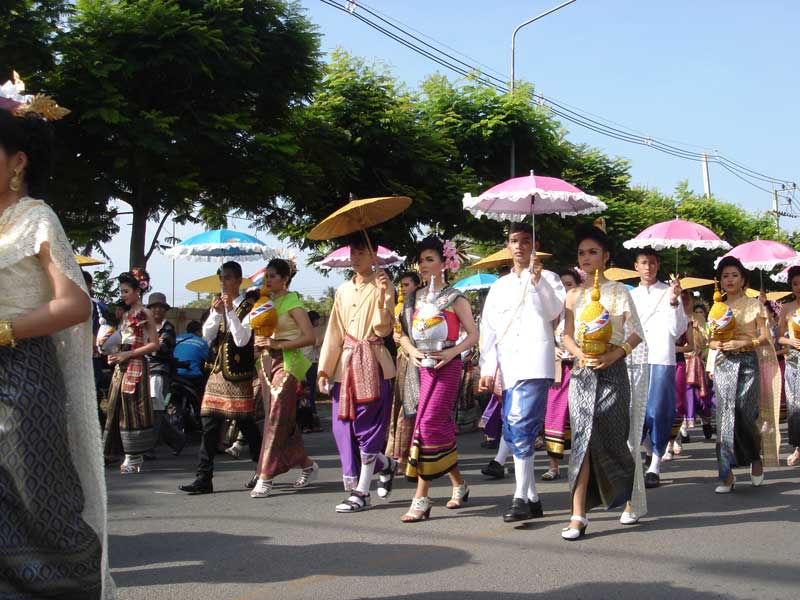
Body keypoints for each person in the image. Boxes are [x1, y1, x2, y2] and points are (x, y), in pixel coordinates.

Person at [0, 85, 114, 598]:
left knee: (40, 508)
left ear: (18, 161)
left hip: (22, 379)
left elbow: (74, 305)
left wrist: (4, 330)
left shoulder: (36, 218)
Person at [560, 224, 644, 540]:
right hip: (582, 374)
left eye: (593, 252)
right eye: (582, 253)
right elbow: (566, 335)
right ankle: (578, 514)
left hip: (613, 372)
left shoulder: (620, 291)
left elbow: (636, 333)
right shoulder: (573, 295)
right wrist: (578, 354)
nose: (586, 258)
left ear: (606, 256)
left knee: (613, 438)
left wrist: (615, 354)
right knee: (581, 440)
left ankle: (626, 498)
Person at [478, 224, 565, 522]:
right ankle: (533, 497)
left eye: (526, 241)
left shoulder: (549, 278)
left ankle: (519, 498)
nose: (519, 246)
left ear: (534, 245)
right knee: (513, 428)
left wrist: (538, 282)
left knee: (520, 422)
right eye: (514, 241)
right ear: (508, 245)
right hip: (509, 363)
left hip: (536, 361)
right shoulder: (500, 286)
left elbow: (553, 312)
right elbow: (489, 330)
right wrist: (487, 367)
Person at [398, 236, 479, 522]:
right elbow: (401, 334)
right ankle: (459, 484)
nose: (423, 265)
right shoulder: (412, 298)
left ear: (445, 263)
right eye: (421, 260)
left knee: (428, 423)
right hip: (420, 367)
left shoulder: (455, 297)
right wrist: (411, 352)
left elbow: (473, 334)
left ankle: (421, 499)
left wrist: (452, 352)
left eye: (430, 259)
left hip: (447, 366)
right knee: (436, 427)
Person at [317, 233, 397, 511]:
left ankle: (361, 492)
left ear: (374, 255)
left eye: (362, 252)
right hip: (345, 366)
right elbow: (334, 331)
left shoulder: (383, 284)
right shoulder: (342, 290)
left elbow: (382, 329)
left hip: (373, 362)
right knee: (343, 427)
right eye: (353, 252)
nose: (356, 258)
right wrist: (324, 370)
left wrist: (385, 295)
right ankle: (386, 464)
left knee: (367, 427)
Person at [179, 261, 263, 494]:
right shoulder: (217, 305)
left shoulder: (249, 307)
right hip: (216, 373)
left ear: (238, 281)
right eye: (221, 279)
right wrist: (216, 313)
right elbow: (207, 336)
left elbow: (242, 340)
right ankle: (203, 477)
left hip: (237, 375)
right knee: (208, 423)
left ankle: (262, 469)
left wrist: (230, 312)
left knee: (245, 423)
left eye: (227, 278)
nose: (223, 283)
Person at [709, 257, 780, 492]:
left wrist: (743, 343)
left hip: (748, 362)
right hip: (724, 364)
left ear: (743, 279)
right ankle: (726, 475)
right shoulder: (717, 306)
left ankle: (754, 458)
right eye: (725, 276)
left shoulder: (754, 304)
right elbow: (710, 340)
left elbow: (765, 337)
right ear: (720, 281)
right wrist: (718, 345)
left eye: (734, 275)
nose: (729, 280)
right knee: (724, 417)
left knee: (745, 413)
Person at [250, 258, 319, 498]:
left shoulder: (293, 302)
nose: (268, 280)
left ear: (285, 278)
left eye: (272, 276)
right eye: (266, 276)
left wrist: (277, 344)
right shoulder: (264, 301)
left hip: (289, 362)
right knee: (280, 417)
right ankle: (307, 464)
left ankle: (265, 475)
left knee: (276, 415)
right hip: (266, 362)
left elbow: (310, 337)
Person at [629, 248, 687, 489]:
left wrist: (674, 301)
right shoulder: (630, 295)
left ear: (658, 265)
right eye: (644, 263)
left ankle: (655, 464)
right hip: (635, 358)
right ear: (636, 266)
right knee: (635, 411)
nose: (648, 267)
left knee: (658, 411)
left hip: (662, 357)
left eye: (652, 263)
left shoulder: (669, 292)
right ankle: (642, 452)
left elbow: (678, 330)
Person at [102, 269, 161, 474]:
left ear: (138, 291)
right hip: (123, 364)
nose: (123, 295)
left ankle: (133, 457)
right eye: (121, 291)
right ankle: (115, 452)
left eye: (126, 291)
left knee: (133, 410)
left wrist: (128, 354)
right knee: (115, 407)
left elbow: (154, 344)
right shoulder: (126, 314)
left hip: (135, 364)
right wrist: (114, 354)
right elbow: (121, 338)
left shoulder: (145, 313)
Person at [542, 268, 582, 481]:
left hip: (580, 368)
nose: (566, 290)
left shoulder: (585, 310)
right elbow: (543, 337)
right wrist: (553, 348)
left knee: (580, 415)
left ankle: (580, 464)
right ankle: (553, 465)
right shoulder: (553, 313)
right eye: (562, 285)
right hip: (559, 370)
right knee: (554, 414)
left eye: (570, 285)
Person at [385, 271, 422, 473]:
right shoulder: (400, 308)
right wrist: (397, 337)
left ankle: (412, 455)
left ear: (417, 285)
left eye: (407, 284)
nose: (403, 289)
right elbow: (395, 334)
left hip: (419, 361)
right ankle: (399, 455)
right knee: (400, 408)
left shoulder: (422, 306)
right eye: (401, 285)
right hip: (403, 361)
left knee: (414, 408)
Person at [145, 291, 184, 455]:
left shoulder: (168, 328)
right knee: (149, 408)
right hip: (144, 370)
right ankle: (177, 439)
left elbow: (161, 349)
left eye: (161, 307)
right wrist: (152, 344)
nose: (157, 310)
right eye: (154, 307)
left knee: (156, 407)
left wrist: (150, 345)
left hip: (159, 371)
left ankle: (150, 446)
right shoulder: (144, 326)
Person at [777, 266, 800, 466]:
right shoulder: (786, 308)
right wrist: (790, 341)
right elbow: (779, 338)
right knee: (795, 405)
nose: (798, 287)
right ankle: (798, 447)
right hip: (793, 360)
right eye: (795, 284)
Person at [686, 301, 714, 440]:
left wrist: (699, 329)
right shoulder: (683, 321)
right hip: (683, 363)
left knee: (701, 396)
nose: (698, 314)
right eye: (696, 312)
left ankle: (706, 421)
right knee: (686, 394)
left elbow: (708, 343)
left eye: (700, 312)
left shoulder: (705, 325)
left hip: (699, 363)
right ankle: (683, 431)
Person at [300, 309, 323, 433]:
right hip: (309, 364)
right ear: (313, 320)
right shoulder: (308, 331)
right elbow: (317, 343)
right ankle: (310, 422)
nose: (318, 322)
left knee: (306, 393)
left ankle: (307, 423)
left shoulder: (302, 330)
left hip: (305, 363)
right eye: (317, 319)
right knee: (309, 393)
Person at [174, 319, 210, 394]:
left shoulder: (176, 338)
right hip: (192, 376)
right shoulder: (202, 342)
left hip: (174, 374)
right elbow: (208, 360)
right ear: (198, 331)